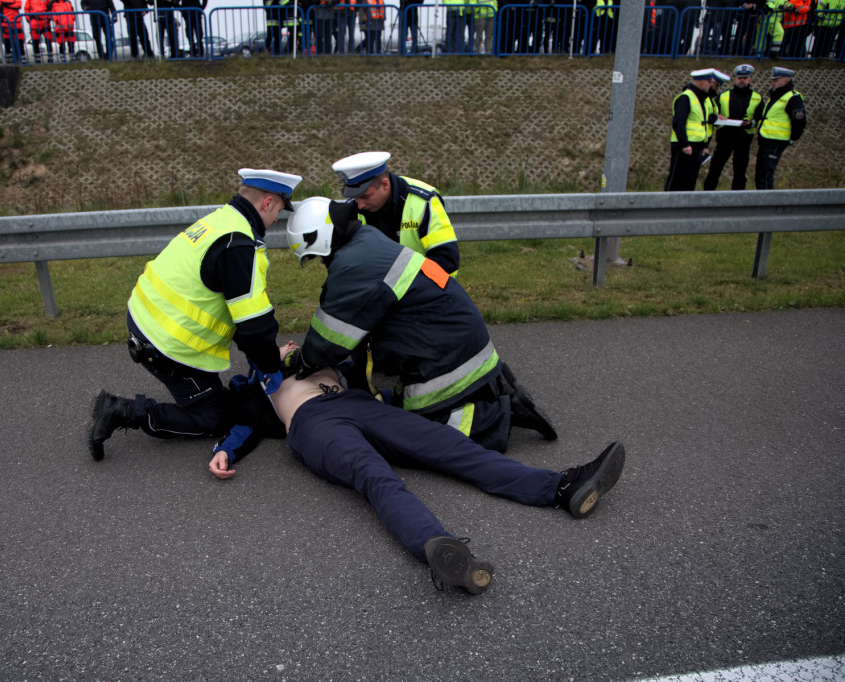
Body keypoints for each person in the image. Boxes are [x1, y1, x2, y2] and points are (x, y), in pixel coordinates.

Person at [208, 342, 627, 595]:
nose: (289, 345)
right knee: (376, 477)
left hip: (360, 406)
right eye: (282, 345)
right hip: (313, 425)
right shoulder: (260, 379)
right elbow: (244, 422)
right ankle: (443, 552)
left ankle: (561, 488)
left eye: (293, 343)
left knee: (449, 446)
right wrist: (225, 450)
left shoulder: (329, 360)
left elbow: (373, 371)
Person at [284, 196, 557, 455]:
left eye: (317, 257)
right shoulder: (364, 239)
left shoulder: (353, 264)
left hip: (447, 352)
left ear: (320, 238)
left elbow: (329, 340)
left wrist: (303, 361)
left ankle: (501, 415)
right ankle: (494, 386)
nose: (321, 263)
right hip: (452, 339)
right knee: (405, 405)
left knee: (419, 431)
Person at [88, 168, 302, 460]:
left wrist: (262, 356)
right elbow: (253, 326)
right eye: (278, 209)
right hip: (168, 345)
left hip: (146, 321)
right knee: (215, 417)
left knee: (223, 400)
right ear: (267, 203)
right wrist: (270, 366)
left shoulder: (222, 220)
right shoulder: (238, 245)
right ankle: (124, 411)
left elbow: (241, 317)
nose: (277, 218)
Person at [331, 151, 460, 276]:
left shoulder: (423, 202)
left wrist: (414, 290)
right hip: (373, 292)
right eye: (355, 198)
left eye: (365, 197)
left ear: (385, 184)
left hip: (421, 291)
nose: (360, 205)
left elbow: (446, 262)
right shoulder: (351, 208)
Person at [703, 64, 763, 191]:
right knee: (715, 170)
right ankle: (707, 195)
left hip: (744, 139)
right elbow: (712, 112)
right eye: (739, 78)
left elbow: (760, 117)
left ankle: (737, 199)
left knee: (740, 172)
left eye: (745, 78)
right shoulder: (723, 96)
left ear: (750, 79)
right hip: (725, 137)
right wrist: (717, 116)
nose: (742, 80)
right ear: (735, 79)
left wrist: (751, 122)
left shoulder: (757, 98)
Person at [665, 69, 720, 192]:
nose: (710, 85)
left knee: (690, 181)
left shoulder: (703, 100)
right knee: (677, 180)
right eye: (709, 82)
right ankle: (669, 207)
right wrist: (684, 144)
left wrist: (704, 145)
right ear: (702, 83)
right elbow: (679, 123)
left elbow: (703, 126)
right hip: (685, 146)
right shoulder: (685, 98)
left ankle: (685, 207)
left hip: (697, 146)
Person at [754, 66, 806, 190]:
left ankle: (767, 205)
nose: (773, 82)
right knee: (760, 174)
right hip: (767, 140)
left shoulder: (792, 97)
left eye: (776, 80)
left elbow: (800, 120)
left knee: (765, 175)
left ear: (786, 80)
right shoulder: (776, 96)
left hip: (777, 141)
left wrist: (793, 138)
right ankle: (761, 202)